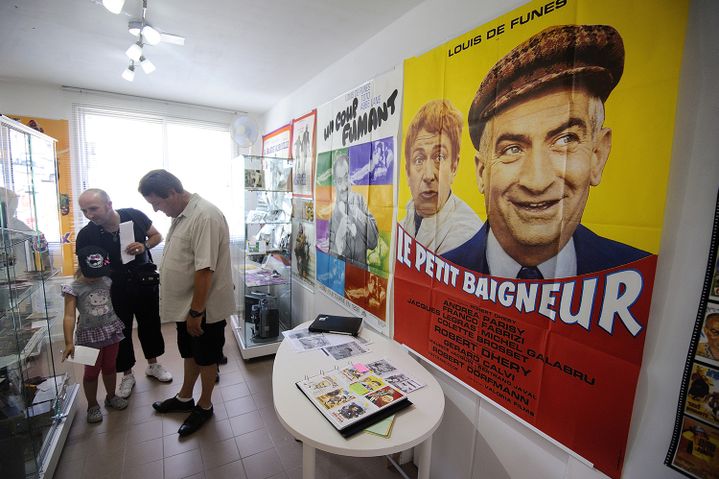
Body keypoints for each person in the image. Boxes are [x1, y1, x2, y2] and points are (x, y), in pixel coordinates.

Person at [443, 24, 649, 279]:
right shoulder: (444, 270)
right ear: (481, 172)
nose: (537, 182)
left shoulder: (639, 272)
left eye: (565, 139)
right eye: (512, 149)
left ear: (597, 155)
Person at [139, 169, 235, 437]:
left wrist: (196, 311)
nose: (157, 210)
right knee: (190, 352)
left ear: (172, 193)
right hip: (187, 306)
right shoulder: (182, 214)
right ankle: (184, 398)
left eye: (157, 203)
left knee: (206, 357)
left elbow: (205, 269)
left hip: (203, 308)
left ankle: (204, 405)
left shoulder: (204, 215)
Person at [76, 189, 171, 399]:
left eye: (93, 208)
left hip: (144, 282)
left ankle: (153, 365)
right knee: (120, 332)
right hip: (112, 289)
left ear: (109, 205)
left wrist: (144, 245)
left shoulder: (133, 215)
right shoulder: (86, 235)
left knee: (150, 324)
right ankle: (127, 374)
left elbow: (157, 235)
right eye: (84, 211)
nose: (90, 215)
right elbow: (83, 268)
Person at [401, 99, 483, 255]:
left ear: (454, 166)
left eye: (439, 157)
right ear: (407, 172)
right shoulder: (404, 221)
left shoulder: (467, 236)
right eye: (419, 160)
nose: (428, 175)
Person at [61, 245, 128, 423]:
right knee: (91, 373)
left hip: (111, 331)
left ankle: (111, 396)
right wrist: (69, 342)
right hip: (88, 336)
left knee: (110, 367)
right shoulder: (73, 288)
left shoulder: (107, 280)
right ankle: (92, 405)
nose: (96, 276)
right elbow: (68, 316)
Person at [328, 153, 378, 267]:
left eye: (346, 178)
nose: (344, 186)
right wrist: (339, 238)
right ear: (335, 183)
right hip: (341, 278)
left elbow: (373, 242)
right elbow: (329, 262)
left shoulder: (360, 200)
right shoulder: (331, 214)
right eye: (339, 181)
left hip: (361, 278)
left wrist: (357, 213)